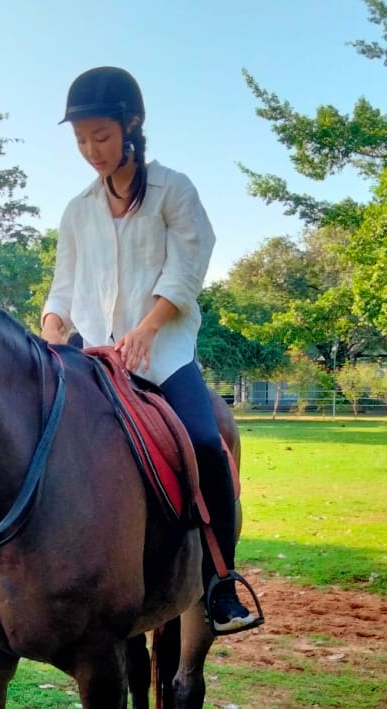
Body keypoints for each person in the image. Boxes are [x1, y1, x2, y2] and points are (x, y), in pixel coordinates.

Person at [40, 66, 259, 635]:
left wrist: (146, 329)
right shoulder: (76, 210)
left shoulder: (173, 191)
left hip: (162, 358)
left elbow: (187, 269)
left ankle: (220, 583)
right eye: (81, 139)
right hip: (91, 362)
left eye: (101, 136)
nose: (91, 150)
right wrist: (51, 327)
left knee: (208, 443)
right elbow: (63, 285)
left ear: (132, 125)